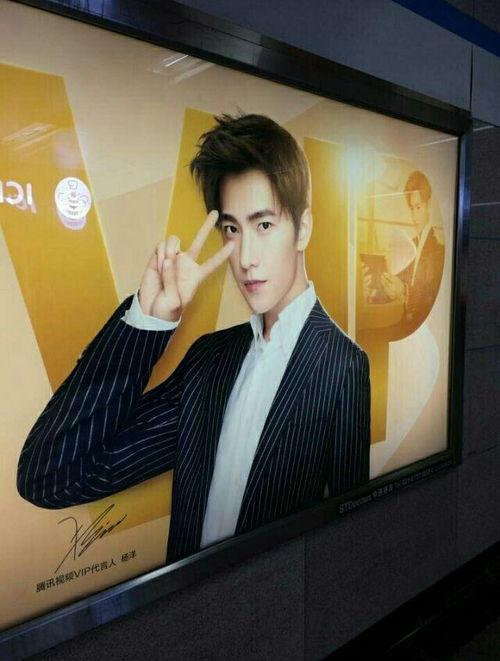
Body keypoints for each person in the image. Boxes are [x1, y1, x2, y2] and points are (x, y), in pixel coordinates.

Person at [17, 113, 371, 564]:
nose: (245, 258)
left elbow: (349, 534)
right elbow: (50, 477)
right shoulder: (209, 360)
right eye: (232, 229)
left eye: (264, 225)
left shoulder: (342, 364)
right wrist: (149, 320)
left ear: (302, 229)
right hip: (191, 604)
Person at [376, 170, 445, 335]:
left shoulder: (438, 251)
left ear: (429, 206)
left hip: (424, 329)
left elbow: (430, 300)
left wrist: (403, 291)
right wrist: (380, 282)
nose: (414, 216)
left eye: (418, 208)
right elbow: (399, 282)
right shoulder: (411, 244)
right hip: (404, 321)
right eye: (412, 209)